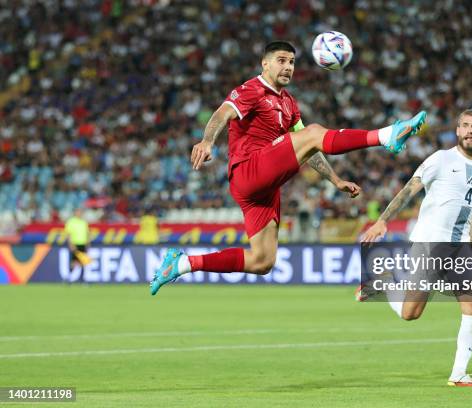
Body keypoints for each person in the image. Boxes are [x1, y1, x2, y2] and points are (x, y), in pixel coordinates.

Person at [150, 41, 427, 295]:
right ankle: (385, 136)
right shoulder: (252, 89)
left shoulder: (288, 102)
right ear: (265, 64)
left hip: (264, 188)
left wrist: (335, 180)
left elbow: (309, 147)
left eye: (292, 62)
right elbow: (223, 113)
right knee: (314, 132)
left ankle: (183, 263)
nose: (288, 67)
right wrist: (207, 141)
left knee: (262, 261)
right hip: (248, 170)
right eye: (281, 60)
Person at [358, 109, 472, 387]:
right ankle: (383, 285)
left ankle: (459, 375)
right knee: (411, 314)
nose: (469, 130)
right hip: (431, 244)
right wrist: (382, 221)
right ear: (457, 131)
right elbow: (409, 190)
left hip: (462, 249)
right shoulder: (441, 159)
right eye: (465, 125)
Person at [64, 208, 91, 279]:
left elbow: (87, 234)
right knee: (73, 262)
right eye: (78, 212)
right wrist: (70, 244)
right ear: (75, 213)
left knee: (83, 262)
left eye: (80, 212)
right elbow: (68, 234)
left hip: (83, 244)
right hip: (75, 244)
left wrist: (88, 243)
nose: (79, 213)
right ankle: (69, 278)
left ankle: (82, 279)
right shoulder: (71, 222)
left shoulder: (84, 222)